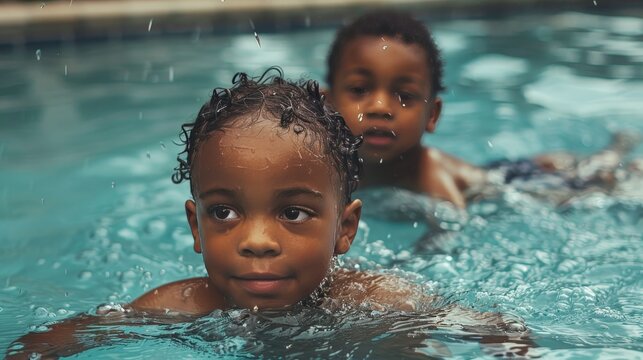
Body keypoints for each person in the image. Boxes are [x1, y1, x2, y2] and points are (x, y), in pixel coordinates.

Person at [7, 68, 531, 359]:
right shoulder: (180, 305)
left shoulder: (379, 302)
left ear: (344, 229)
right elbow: (48, 342)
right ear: (195, 226)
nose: (256, 240)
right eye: (225, 212)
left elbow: (499, 332)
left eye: (295, 213)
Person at [326, 11, 640, 209]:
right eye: (359, 90)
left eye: (405, 95)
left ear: (432, 116)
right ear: (327, 105)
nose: (380, 107)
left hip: (508, 186)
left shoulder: (432, 180)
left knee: (592, 184)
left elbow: (451, 231)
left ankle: (616, 153)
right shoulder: (329, 170)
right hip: (492, 170)